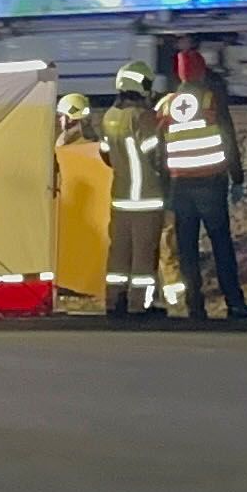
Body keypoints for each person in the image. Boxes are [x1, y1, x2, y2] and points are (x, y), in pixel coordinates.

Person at [157, 58, 247, 321]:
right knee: (221, 245)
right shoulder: (211, 100)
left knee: (187, 249)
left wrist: (165, 187)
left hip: (180, 187)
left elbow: (160, 148)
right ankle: (235, 304)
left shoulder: (166, 104)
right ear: (201, 73)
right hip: (211, 184)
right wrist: (238, 178)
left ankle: (195, 307)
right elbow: (228, 138)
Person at [96, 62, 168, 317]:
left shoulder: (109, 117)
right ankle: (140, 305)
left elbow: (104, 154)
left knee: (119, 253)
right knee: (144, 256)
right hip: (147, 199)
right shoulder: (143, 118)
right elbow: (156, 156)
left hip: (120, 198)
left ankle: (114, 301)